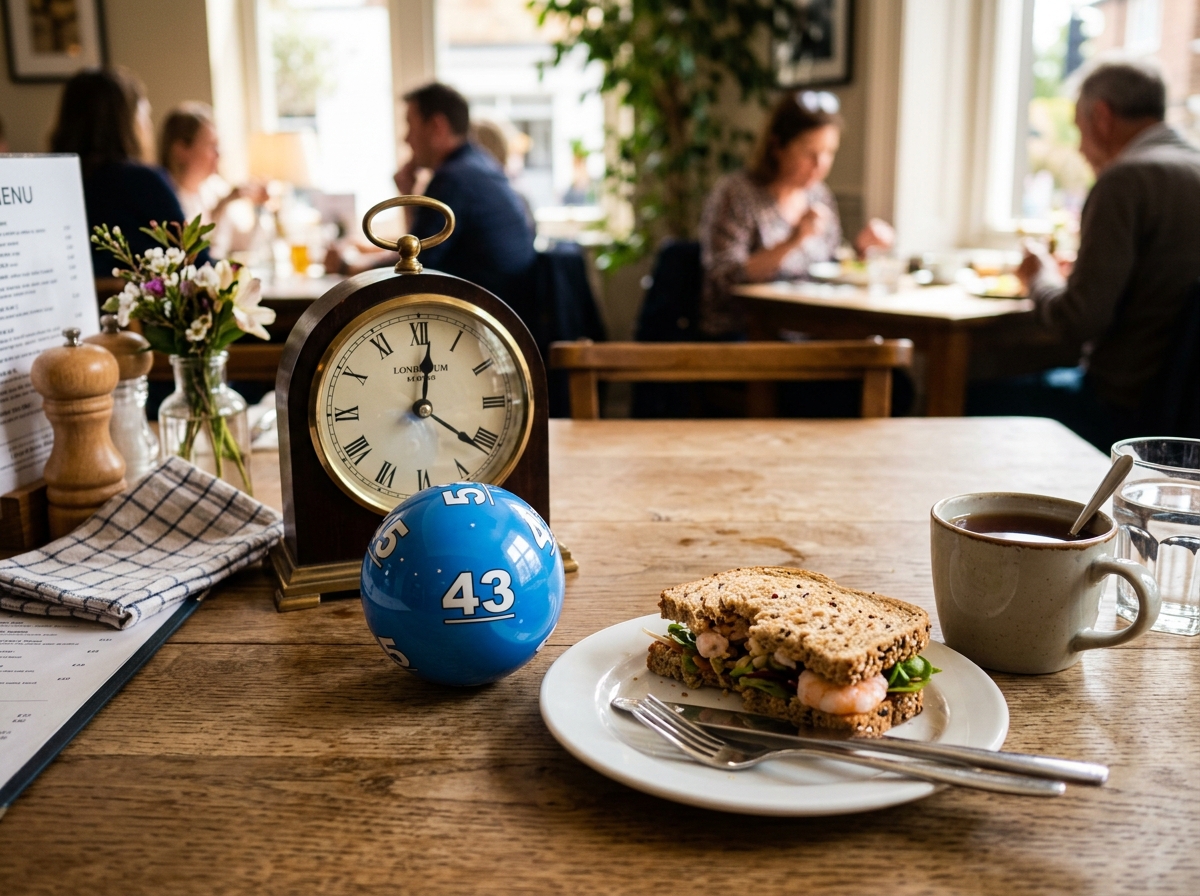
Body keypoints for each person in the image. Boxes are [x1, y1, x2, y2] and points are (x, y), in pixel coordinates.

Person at [977, 59, 1200, 448]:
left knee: (969, 397)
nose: (1080, 149)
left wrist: (1038, 276)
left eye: (1079, 131)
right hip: (1183, 414)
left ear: (1101, 117)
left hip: (1120, 407)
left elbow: (1078, 321)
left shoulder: (1125, 179)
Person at [698, 91, 895, 338]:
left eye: (829, 152)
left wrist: (861, 250)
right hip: (747, 333)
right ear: (777, 146)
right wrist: (792, 241)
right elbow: (723, 279)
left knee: (885, 363)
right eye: (810, 152)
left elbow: (829, 269)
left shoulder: (819, 196)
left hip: (807, 331)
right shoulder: (737, 195)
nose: (820, 164)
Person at [330, 83, 535, 305]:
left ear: (437, 126)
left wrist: (345, 265)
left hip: (483, 317)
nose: (406, 139)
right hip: (509, 305)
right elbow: (417, 249)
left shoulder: (454, 179)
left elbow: (413, 269)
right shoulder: (477, 164)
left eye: (410, 125)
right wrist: (407, 194)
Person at [49, 68, 204, 278]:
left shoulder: (52, 183)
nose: (148, 125)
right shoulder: (142, 181)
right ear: (128, 122)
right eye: (144, 115)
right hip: (139, 308)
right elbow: (196, 258)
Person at [159, 102, 267, 255]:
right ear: (181, 150)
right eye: (211, 145)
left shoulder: (213, 188)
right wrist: (221, 206)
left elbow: (244, 246)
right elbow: (193, 257)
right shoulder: (163, 199)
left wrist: (259, 208)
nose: (218, 154)